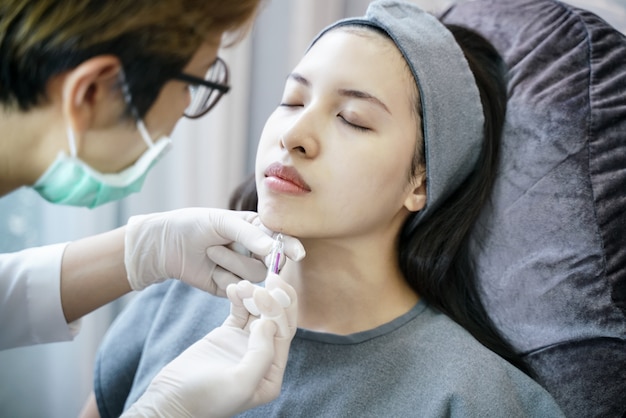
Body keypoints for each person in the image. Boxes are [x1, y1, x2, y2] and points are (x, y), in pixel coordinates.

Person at [81, 1, 566, 416]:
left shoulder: (477, 398)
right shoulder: (173, 303)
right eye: (292, 101)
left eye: (352, 119)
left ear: (420, 180)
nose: (293, 136)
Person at [0, 0, 304, 415]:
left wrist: (144, 251)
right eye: (191, 85)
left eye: (353, 118)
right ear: (91, 91)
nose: (295, 136)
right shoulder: (166, 311)